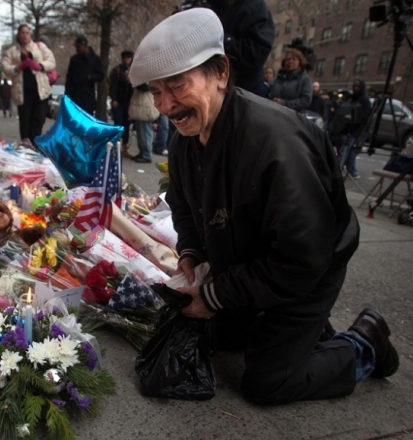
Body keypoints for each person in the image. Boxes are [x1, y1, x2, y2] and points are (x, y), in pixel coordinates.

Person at [129, 8, 398, 405]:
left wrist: (219, 295)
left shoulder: (274, 142)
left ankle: (362, 343)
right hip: (249, 263)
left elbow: (302, 257)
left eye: (177, 85)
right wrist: (191, 252)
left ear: (220, 73)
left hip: (308, 271)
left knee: (269, 383)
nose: (166, 105)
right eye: (156, 92)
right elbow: (184, 206)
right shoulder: (187, 137)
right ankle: (305, 332)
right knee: (214, 333)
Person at [2, 25, 56, 143]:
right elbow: (5, 68)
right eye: (22, 33)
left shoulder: (40, 47)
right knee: (25, 121)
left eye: (27, 32)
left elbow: (51, 61)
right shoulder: (12, 52)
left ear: (30, 34)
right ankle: (26, 146)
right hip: (22, 92)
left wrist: (39, 66)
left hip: (40, 91)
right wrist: (17, 67)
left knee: (38, 120)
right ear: (18, 35)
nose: (25, 35)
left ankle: (36, 144)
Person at [208, 0, 274, 98]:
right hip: (211, 87)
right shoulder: (206, 5)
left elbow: (254, 54)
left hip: (244, 90)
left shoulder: (254, 7)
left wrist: (220, 38)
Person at [334, 80, 371, 179]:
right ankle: (353, 171)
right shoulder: (351, 99)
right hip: (347, 128)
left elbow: (365, 117)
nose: (355, 88)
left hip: (355, 131)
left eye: (358, 86)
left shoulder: (364, 100)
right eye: (354, 86)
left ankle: (338, 170)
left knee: (345, 151)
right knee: (349, 152)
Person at [65, 34, 104, 116]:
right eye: (76, 47)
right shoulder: (74, 59)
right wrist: (67, 93)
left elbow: (101, 75)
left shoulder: (95, 59)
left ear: (85, 46)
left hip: (87, 97)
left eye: (79, 47)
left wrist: (91, 77)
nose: (77, 50)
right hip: (75, 96)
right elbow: (69, 77)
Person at [109, 49, 135, 158]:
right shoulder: (117, 70)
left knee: (126, 125)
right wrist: (113, 99)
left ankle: (125, 148)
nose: (126, 60)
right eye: (125, 58)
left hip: (129, 102)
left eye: (128, 58)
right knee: (118, 125)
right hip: (118, 102)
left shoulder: (133, 71)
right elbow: (112, 86)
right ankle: (115, 147)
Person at [270, 48, 312, 113]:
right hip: (273, 113)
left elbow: (305, 100)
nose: (290, 61)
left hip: (292, 117)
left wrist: (284, 103)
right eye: (288, 59)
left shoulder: (305, 79)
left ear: (300, 62)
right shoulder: (277, 78)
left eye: (294, 59)